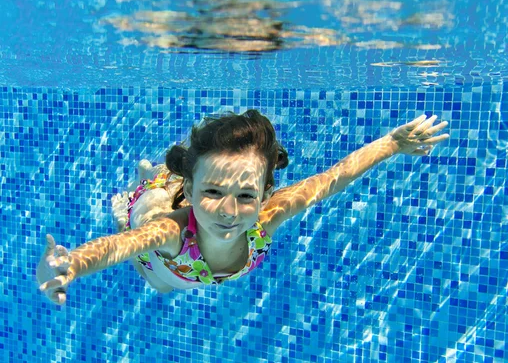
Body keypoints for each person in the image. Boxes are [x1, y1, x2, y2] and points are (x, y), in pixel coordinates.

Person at [37, 110, 449, 305]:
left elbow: (331, 179)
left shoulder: (268, 216)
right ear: (194, 185)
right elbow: (119, 246)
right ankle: (148, 186)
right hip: (161, 232)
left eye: (247, 196)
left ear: (266, 193)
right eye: (214, 192)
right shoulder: (171, 235)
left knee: (168, 280)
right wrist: (69, 265)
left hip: (184, 219)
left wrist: (392, 143)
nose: (230, 212)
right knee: (154, 267)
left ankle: (158, 179)